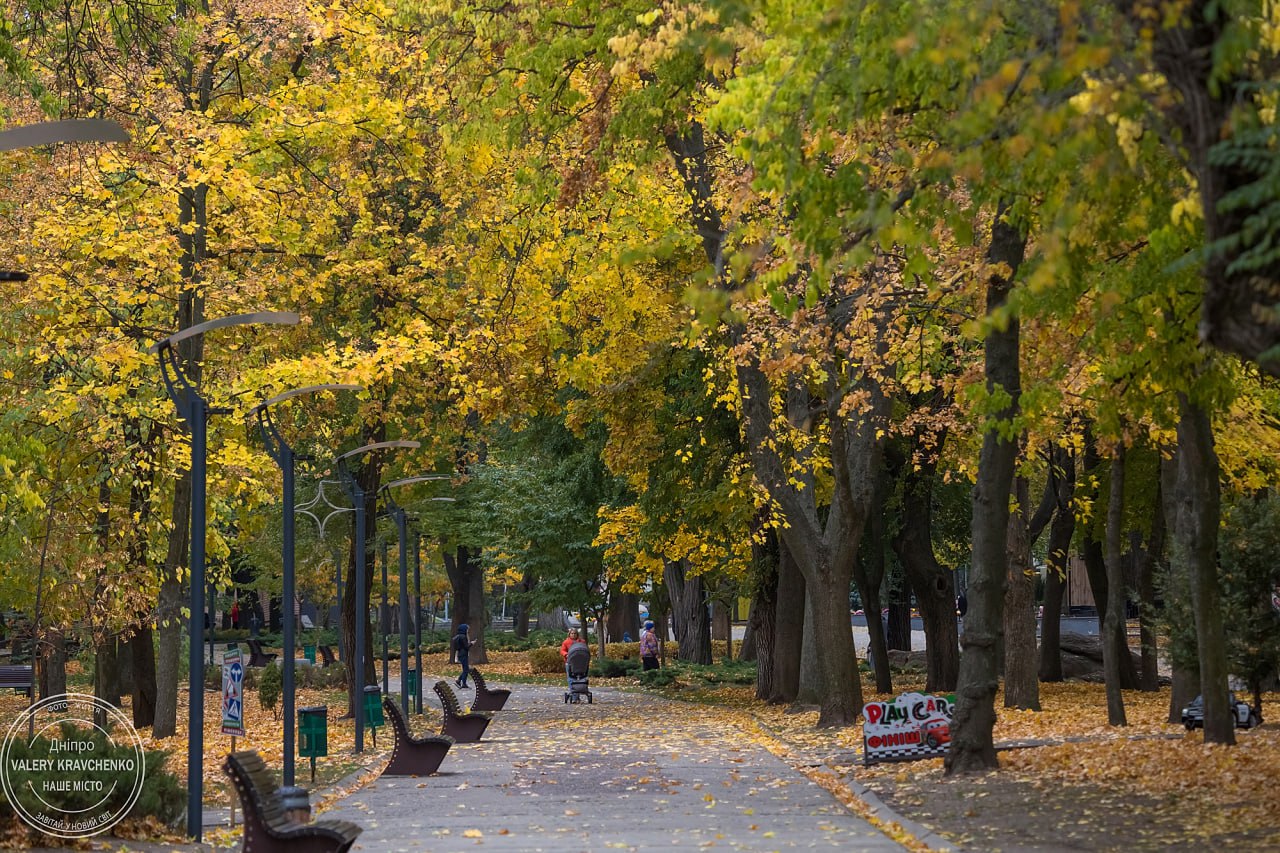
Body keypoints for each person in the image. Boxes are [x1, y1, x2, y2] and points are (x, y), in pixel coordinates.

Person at [453, 623, 475, 689]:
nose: (467, 631)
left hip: (460, 654)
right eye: (467, 629)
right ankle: (463, 683)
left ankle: (459, 680)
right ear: (464, 629)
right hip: (463, 654)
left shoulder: (458, 636)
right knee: (466, 669)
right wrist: (471, 643)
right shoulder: (463, 637)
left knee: (465, 669)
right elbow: (466, 647)